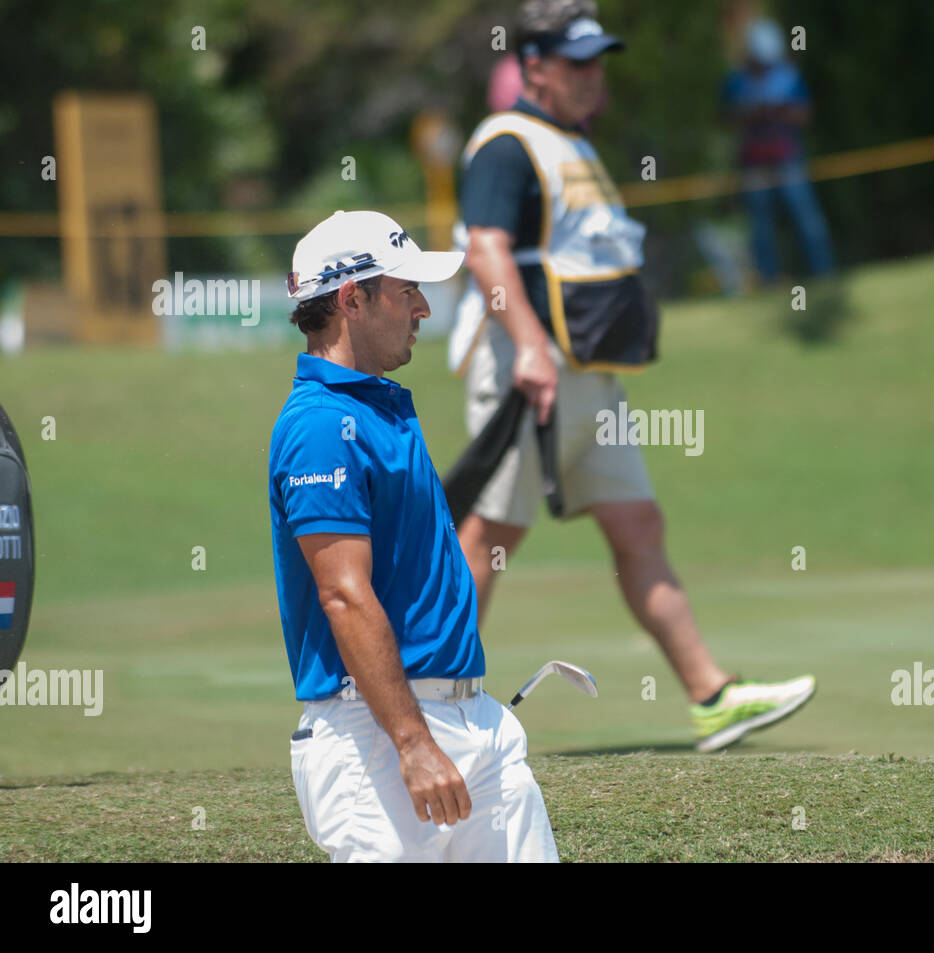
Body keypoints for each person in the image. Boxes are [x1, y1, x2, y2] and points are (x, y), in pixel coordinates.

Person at [447, 0, 816, 752]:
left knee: (639, 525)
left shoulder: (570, 142)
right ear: (536, 66)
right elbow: (485, 252)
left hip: (590, 380)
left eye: (598, 61)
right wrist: (526, 345)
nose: (593, 76)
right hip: (531, 377)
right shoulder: (505, 144)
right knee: (487, 538)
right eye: (577, 62)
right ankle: (431, 705)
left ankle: (713, 697)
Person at [269, 210, 558, 862]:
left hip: (470, 718)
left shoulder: (377, 404)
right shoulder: (321, 425)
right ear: (352, 299)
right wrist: (412, 741)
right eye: (407, 291)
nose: (423, 308)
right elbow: (343, 594)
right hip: (377, 736)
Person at [722, 17, 834, 285]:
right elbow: (725, 118)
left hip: (788, 158)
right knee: (760, 227)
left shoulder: (788, 76)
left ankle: (824, 275)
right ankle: (768, 281)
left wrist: (781, 112)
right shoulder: (737, 81)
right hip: (754, 163)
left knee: (807, 220)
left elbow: (806, 115)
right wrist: (752, 114)